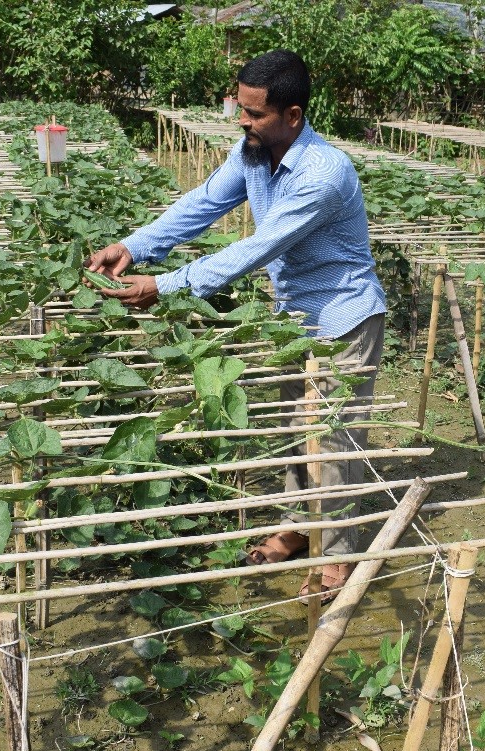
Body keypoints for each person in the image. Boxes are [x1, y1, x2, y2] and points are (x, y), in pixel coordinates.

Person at [85, 49, 386, 603]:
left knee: (338, 438)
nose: (242, 122)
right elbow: (201, 204)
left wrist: (167, 284)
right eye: (240, 109)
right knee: (296, 426)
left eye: (255, 114)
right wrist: (134, 246)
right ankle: (297, 527)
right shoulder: (252, 152)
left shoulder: (323, 173)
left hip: (345, 313)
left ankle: (339, 561)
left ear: (293, 115)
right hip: (294, 315)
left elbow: (257, 247)